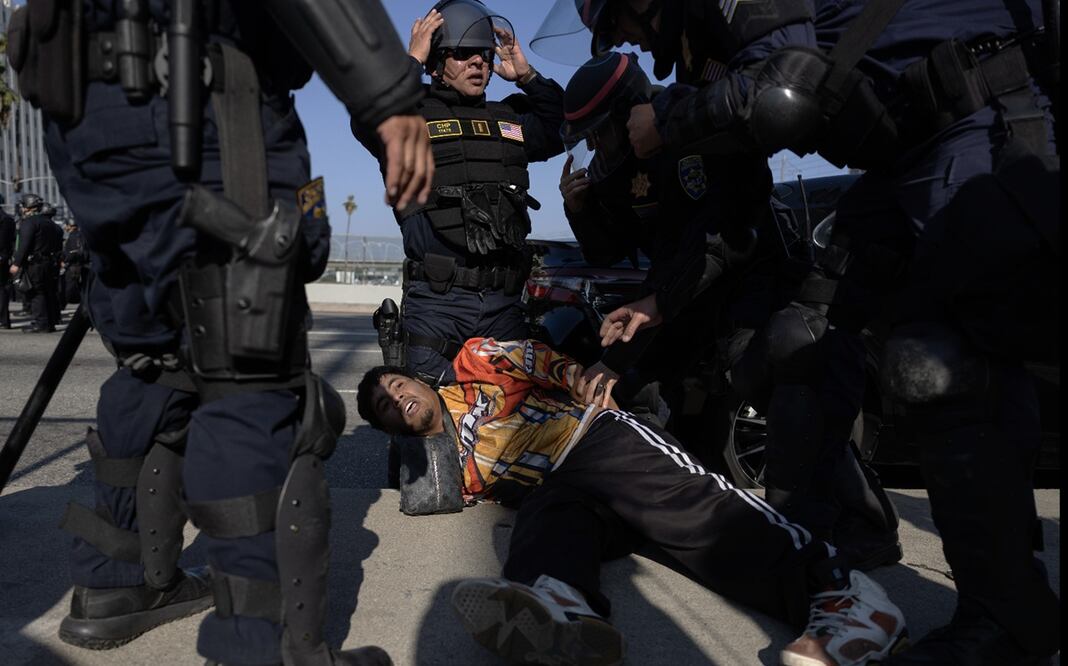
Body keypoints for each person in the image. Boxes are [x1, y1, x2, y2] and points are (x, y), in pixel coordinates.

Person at [545, 0, 1062, 663]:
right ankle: (850, 543)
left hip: (975, 123)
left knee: (938, 361)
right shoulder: (696, 63)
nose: (626, 41)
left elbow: (781, 100)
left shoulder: (706, 54)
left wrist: (668, 123)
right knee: (818, 345)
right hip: (906, 151)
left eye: (619, 21)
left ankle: (1005, 616)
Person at [8, 0, 433, 664]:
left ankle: (114, 586)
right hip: (201, 94)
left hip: (86, 114)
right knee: (251, 379)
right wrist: (390, 90)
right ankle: (264, 649)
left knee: (152, 359)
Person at [555, 44, 902, 571]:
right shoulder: (628, 167)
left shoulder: (692, 134)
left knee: (769, 375)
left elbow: (728, 240)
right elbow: (615, 248)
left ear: (629, 112)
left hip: (750, 285)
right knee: (638, 390)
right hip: (686, 300)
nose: (601, 147)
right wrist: (577, 210)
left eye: (602, 132)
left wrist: (658, 304)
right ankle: (664, 512)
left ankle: (851, 523)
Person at [357, 337, 908, 666]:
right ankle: (562, 608)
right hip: (563, 488)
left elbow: (538, 359)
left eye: (396, 385)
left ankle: (843, 596)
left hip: (593, 439)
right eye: (385, 407)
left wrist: (579, 378)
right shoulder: (444, 469)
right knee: (544, 520)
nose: (396, 399)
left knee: (694, 514)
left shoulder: (473, 363)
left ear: (418, 379)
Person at [353, 0, 566, 385]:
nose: (478, 62)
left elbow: (562, 126)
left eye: (483, 54)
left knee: (511, 432)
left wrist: (528, 76)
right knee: (428, 427)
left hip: (505, 306)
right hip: (438, 306)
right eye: (463, 53)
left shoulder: (509, 119)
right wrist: (410, 62)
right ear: (436, 62)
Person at [8, 193, 59, 333]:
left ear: (27, 207)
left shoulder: (29, 222)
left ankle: (40, 323)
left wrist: (16, 263)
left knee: (36, 293)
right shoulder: (49, 222)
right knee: (47, 292)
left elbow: (24, 245)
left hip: (35, 263)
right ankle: (50, 323)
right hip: (49, 262)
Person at [60, 220, 89, 308]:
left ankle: (63, 305)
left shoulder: (72, 237)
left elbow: (71, 253)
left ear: (70, 226)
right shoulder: (83, 235)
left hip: (72, 266)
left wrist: (64, 261)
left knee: (67, 287)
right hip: (84, 264)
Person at [0, 199, 14, 329]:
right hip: (3, 257)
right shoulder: (7, 218)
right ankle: (4, 320)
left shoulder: (4, 219)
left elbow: (3, 241)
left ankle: (3, 320)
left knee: (1, 290)